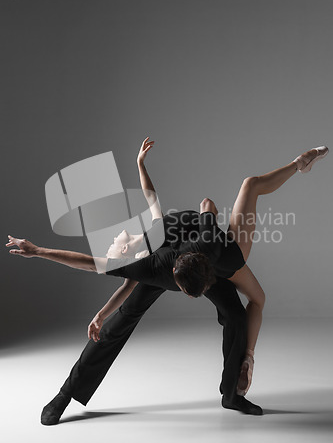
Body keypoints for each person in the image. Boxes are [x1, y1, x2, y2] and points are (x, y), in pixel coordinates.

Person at [6, 141, 329, 423]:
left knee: (235, 316)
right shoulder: (145, 261)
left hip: (205, 267)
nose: (114, 243)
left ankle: (231, 395)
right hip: (193, 268)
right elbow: (124, 270)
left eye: (115, 245)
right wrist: (101, 312)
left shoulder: (159, 253)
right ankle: (66, 394)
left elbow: (95, 263)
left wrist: (39, 251)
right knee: (118, 324)